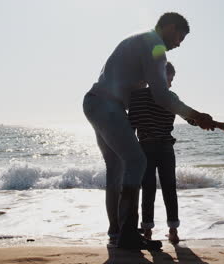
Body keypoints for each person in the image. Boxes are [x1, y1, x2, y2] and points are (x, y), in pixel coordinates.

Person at [82, 12, 215, 250]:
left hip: (94, 103)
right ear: (171, 27)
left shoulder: (138, 38)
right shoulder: (154, 45)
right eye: (179, 37)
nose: (178, 44)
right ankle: (128, 234)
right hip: (108, 106)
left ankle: (117, 233)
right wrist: (197, 116)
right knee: (136, 161)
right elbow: (161, 96)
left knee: (116, 169)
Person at [128, 62, 224, 245]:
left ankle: (147, 231)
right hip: (164, 149)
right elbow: (192, 118)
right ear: (160, 77)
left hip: (145, 147)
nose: (171, 83)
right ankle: (173, 231)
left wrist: (127, 153)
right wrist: (218, 125)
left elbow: (131, 125)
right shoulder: (169, 98)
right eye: (170, 79)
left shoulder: (137, 97)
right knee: (169, 189)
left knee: (148, 190)